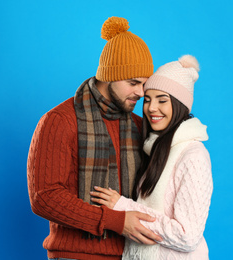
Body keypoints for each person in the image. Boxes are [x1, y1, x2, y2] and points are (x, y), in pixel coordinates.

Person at [27, 16, 162, 260]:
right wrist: (116, 221)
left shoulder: (138, 126)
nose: (141, 93)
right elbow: (44, 197)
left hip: (133, 254)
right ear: (109, 75)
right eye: (133, 83)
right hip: (76, 255)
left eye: (144, 84)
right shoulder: (60, 121)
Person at [91, 55, 213, 259]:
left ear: (180, 104)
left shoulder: (193, 155)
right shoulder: (155, 148)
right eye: (147, 100)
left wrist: (123, 207)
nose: (152, 108)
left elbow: (188, 236)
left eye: (162, 100)